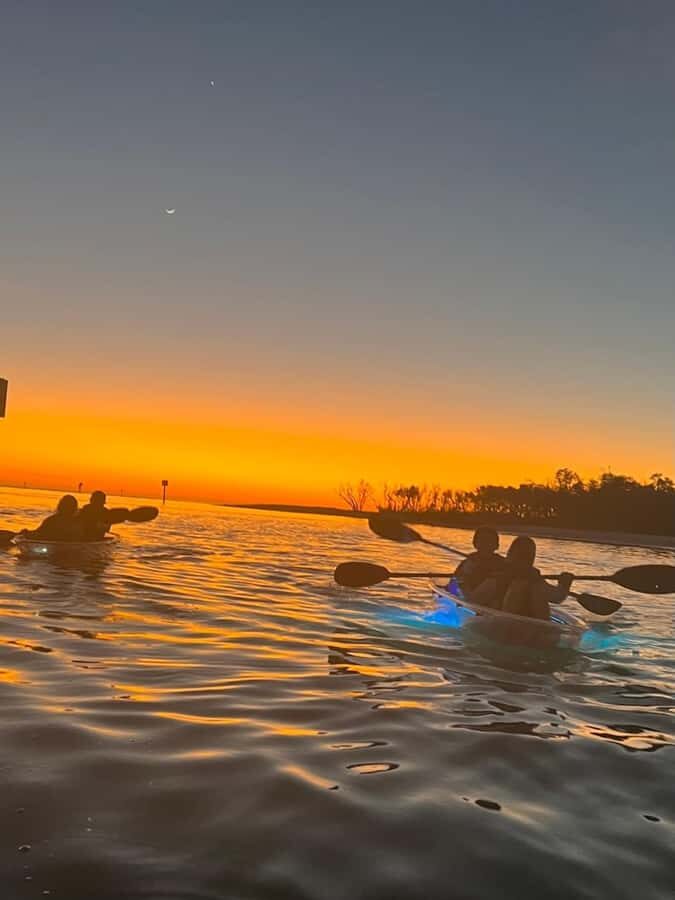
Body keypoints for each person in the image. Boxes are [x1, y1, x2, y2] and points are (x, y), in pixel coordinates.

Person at [472, 535, 573, 620]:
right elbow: (557, 597)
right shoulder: (536, 581)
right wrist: (564, 585)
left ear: (510, 554)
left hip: (501, 629)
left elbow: (474, 600)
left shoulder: (497, 578)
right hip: (531, 634)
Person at [454, 526, 507, 595]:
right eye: (482, 541)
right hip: (471, 596)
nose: (486, 545)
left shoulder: (503, 563)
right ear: (475, 544)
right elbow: (456, 580)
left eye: (489, 541)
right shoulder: (469, 561)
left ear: (497, 545)